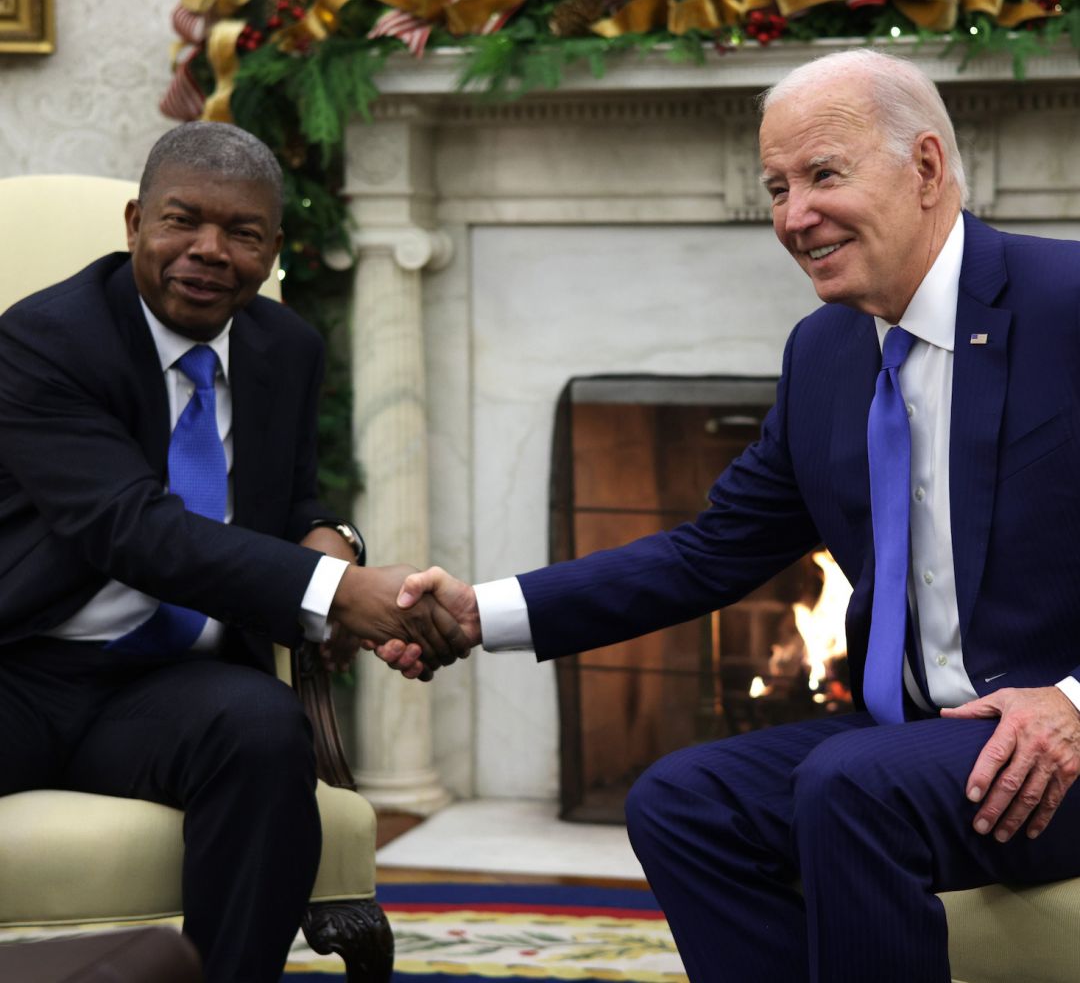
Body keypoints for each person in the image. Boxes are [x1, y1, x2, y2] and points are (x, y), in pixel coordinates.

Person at [377, 49, 1080, 982]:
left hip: (1059, 746)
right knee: (680, 797)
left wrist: (1071, 702)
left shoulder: (1066, 306)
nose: (793, 217)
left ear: (924, 167)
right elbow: (711, 551)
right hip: (919, 742)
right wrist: (479, 613)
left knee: (847, 786)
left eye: (824, 174)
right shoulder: (825, 352)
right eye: (777, 187)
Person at [0, 122, 469, 983]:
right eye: (183, 221)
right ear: (137, 221)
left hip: (165, 686)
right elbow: (131, 529)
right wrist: (336, 590)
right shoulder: (44, 340)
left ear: (273, 248)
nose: (210, 251)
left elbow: (291, 498)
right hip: (18, 666)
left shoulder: (282, 347)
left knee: (262, 732)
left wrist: (335, 548)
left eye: (243, 233)